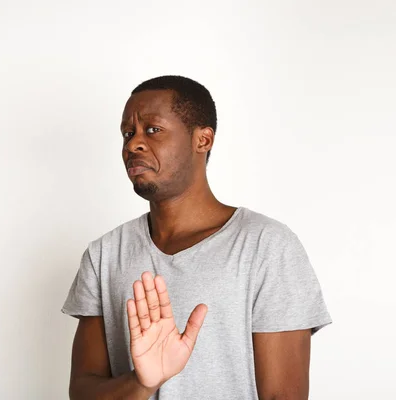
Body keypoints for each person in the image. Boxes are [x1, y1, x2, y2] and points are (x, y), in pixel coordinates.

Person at [61, 75, 332, 399]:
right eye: (127, 133)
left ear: (202, 140)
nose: (133, 144)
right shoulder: (104, 255)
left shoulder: (267, 247)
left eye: (153, 129)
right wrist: (142, 382)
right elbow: (82, 393)